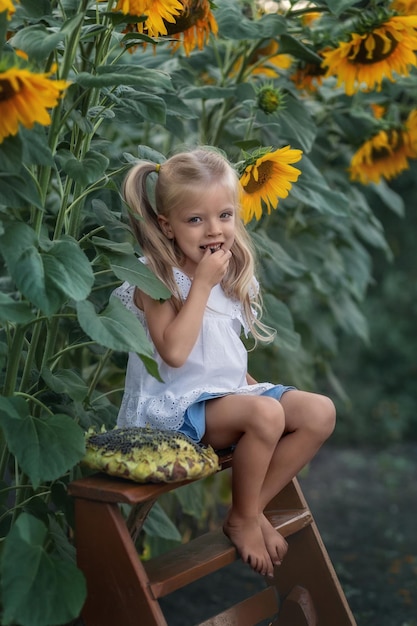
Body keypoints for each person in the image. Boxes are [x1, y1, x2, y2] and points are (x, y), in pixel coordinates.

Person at [113, 147, 336, 578]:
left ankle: (249, 511)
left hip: (222, 399)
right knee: (266, 413)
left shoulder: (229, 273)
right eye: (196, 220)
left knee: (319, 412)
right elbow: (175, 354)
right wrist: (200, 286)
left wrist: (253, 390)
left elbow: (222, 356)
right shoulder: (154, 277)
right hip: (171, 413)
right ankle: (246, 516)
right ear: (167, 225)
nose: (214, 230)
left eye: (225, 216)